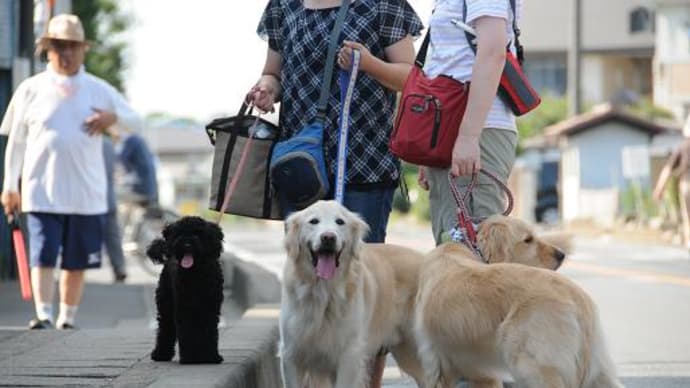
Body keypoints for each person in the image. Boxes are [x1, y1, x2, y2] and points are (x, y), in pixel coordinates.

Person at [248, 0, 423, 386]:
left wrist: (370, 63)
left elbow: (411, 78)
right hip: (302, 170)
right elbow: (273, 74)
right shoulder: (283, 6)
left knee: (364, 295)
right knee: (306, 283)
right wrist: (266, 88)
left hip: (364, 166)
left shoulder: (384, 5)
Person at [0, 14, 142, 329]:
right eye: (58, 46)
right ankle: (44, 314)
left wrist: (111, 118)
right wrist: (10, 184)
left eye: (72, 47)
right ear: (47, 49)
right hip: (40, 189)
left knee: (76, 261)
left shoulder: (99, 90)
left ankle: (67, 317)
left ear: (83, 50)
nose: (65, 53)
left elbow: (137, 123)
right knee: (43, 255)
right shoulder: (30, 89)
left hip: (85, 191)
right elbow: (17, 143)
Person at [343, 0, 522, 245]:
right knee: (451, 246)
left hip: (479, 129)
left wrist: (468, 138)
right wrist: (433, 148)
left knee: (479, 251)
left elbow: (493, 53)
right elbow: (446, 63)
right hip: (451, 130)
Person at [654, 114, 690, 252]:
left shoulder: (683, 147)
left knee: (687, 215)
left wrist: (659, 188)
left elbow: (668, 169)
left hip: (687, 183)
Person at [102, 136, 128, 283]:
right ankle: (119, 268)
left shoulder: (90, 143)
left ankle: (76, 268)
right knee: (112, 236)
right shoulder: (109, 145)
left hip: (91, 200)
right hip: (109, 196)